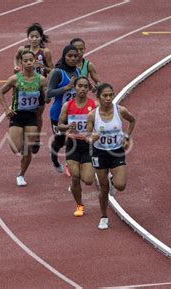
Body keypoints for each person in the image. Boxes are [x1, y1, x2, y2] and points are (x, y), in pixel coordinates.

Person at [85, 83, 136, 229]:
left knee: (120, 185)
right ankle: (103, 216)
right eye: (105, 96)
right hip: (99, 153)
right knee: (104, 188)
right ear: (99, 97)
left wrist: (126, 137)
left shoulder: (120, 110)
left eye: (111, 95)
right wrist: (92, 138)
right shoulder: (92, 115)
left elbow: (132, 120)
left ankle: (114, 181)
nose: (108, 98)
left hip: (116, 151)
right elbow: (87, 136)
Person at [0, 50, 47, 186]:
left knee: (27, 149)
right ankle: (19, 142)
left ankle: (21, 174)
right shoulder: (15, 79)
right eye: (25, 61)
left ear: (34, 61)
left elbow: (46, 97)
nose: (28, 63)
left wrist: (50, 95)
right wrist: (6, 109)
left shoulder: (41, 79)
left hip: (32, 116)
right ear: (21, 63)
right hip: (17, 115)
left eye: (30, 60)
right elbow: (0, 92)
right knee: (16, 148)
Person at [57, 76, 96, 217]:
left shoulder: (94, 105)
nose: (82, 89)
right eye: (80, 86)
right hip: (73, 144)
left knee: (88, 180)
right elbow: (60, 125)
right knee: (75, 177)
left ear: (88, 89)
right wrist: (67, 126)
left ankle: (90, 170)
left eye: (85, 86)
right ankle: (79, 205)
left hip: (87, 145)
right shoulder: (68, 105)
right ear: (75, 87)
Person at [14, 23, 54, 154]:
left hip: (39, 87)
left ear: (41, 37)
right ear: (27, 37)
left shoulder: (45, 52)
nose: (34, 39)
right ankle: (24, 138)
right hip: (24, 85)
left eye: (37, 36)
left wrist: (42, 66)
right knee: (23, 112)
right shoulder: (22, 50)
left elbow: (52, 70)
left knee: (37, 115)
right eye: (32, 36)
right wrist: (16, 67)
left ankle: (36, 137)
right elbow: (16, 57)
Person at [46, 44, 80, 173]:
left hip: (74, 114)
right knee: (60, 141)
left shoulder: (77, 71)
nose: (72, 59)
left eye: (75, 56)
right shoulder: (57, 72)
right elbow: (49, 93)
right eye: (69, 56)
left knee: (73, 139)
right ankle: (54, 159)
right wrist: (66, 88)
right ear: (64, 56)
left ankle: (69, 164)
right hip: (58, 114)